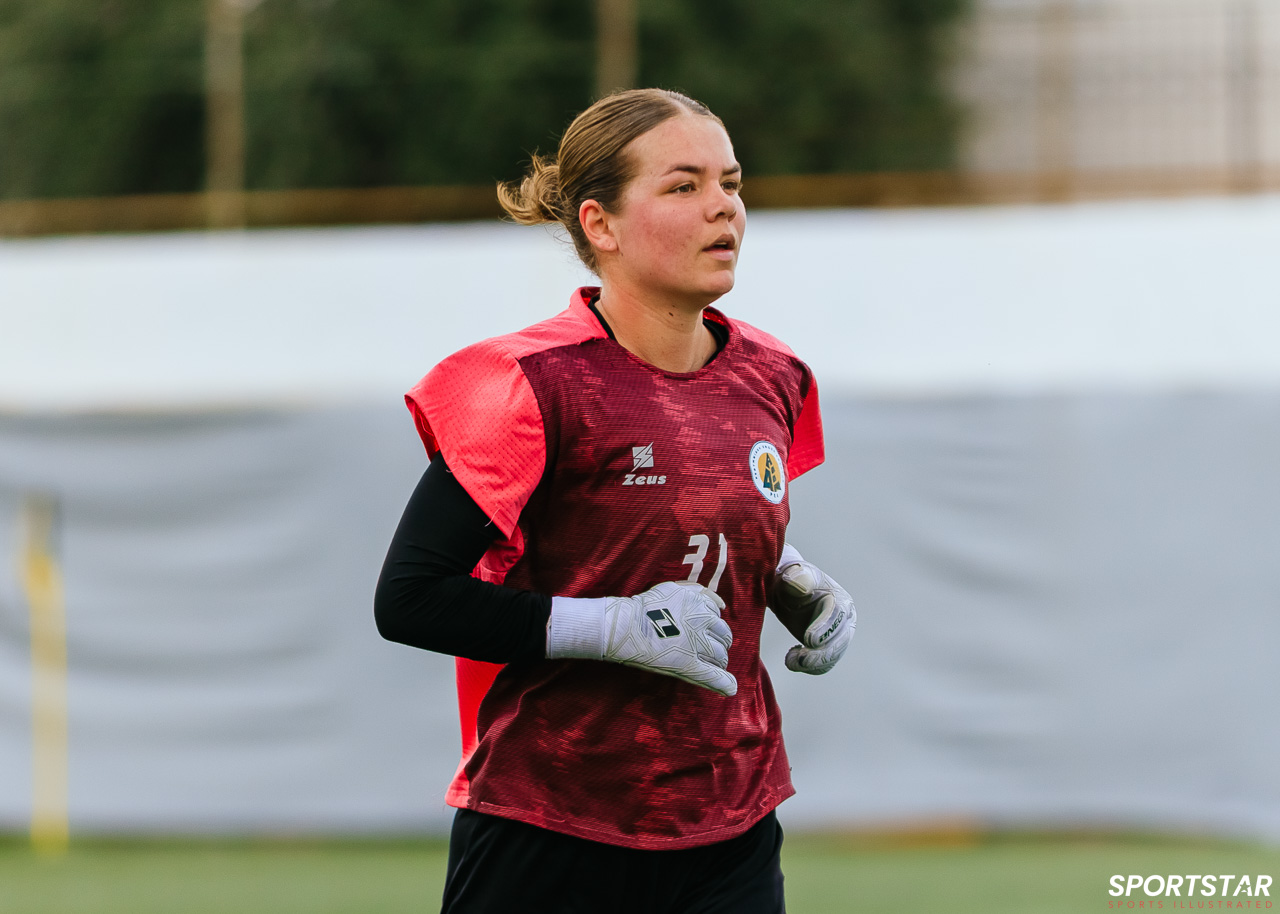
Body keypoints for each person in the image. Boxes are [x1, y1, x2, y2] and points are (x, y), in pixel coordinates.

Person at [374, 88, 855, 914]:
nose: (723, 208)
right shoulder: (530, 381)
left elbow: (688, 515)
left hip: (732, 821)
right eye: (684, 186)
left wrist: (789, 574)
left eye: (731, 183)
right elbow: (410, 598)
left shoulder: (774, 375)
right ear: (600, 224)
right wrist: (612, 627)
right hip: (552, 822)